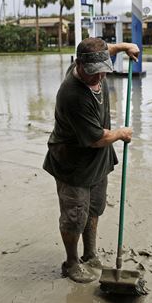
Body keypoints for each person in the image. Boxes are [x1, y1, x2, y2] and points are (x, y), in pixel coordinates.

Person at [43, 37, 140, 283]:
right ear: (78, 65)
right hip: (72, 162)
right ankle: (71, 263)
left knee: (94, 207)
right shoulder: (72, 95)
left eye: (103, 72)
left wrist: (125, 47)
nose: (98, 78)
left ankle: (90, 254)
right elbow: (97, 138)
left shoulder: (95, 61)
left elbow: (106, 49)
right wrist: (121, 133)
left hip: (97, 160)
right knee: (75, 215)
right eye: (92, 74)